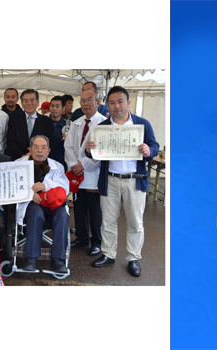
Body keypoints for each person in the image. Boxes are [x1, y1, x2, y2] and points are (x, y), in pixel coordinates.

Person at [85, 86, 159, 277]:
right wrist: (89, 149)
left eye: (120, 101)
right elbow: (93, 155)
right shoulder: (102, 128)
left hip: (136, 180)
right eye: (112, 102)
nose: (116, 106)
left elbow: (154, 146)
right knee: (108, 221)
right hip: (110, 180)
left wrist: (148, 151)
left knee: (135, 222)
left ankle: (133, 257)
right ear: (107, 105)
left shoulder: (142, 124)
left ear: (128, 103)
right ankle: (108, 253)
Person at [16, 135, 70, 273]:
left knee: (63, 215)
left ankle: (58, 260)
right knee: (36, 213)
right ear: (30, 149)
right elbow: (12, 186)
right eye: (36, 147)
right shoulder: (18, 164)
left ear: (49, 150)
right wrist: (28, 193)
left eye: (43, 147)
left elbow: (65, 187)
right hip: (30, 205)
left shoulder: (57, 166)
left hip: (52, 204)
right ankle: (31, 259)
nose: (40, 150)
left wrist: (46, 186)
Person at [64, 90, 107, 256]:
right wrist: (74, 165)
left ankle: (97, 241)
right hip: (77, 175)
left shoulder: (104, 123)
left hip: (93, 174)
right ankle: (82, 237)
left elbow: (102, 151)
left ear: (98, 102)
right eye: (82, 101)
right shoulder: (76, 123)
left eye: (89, 100)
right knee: (79, 207)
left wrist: (84, 164)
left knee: (95, 210)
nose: (85, 104)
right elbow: (68, 146)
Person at [6, 89, 54, 160]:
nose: (29, 103)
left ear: (37, 102)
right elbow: (10, 141)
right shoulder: (14, 120)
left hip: (40, 160)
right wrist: (23, 156)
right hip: (19, 160)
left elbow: (51, 141)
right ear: (22, 103)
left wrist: (34, 154)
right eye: (26, 101)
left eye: (32, 100)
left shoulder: (46, 121)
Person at [47, 96, 67, 171]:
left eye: (57, 106)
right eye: (52, 106)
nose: (54, 109)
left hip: (61, 162)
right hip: (45, 162)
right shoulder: (43, 124)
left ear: (63, 108)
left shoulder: (67, 126)